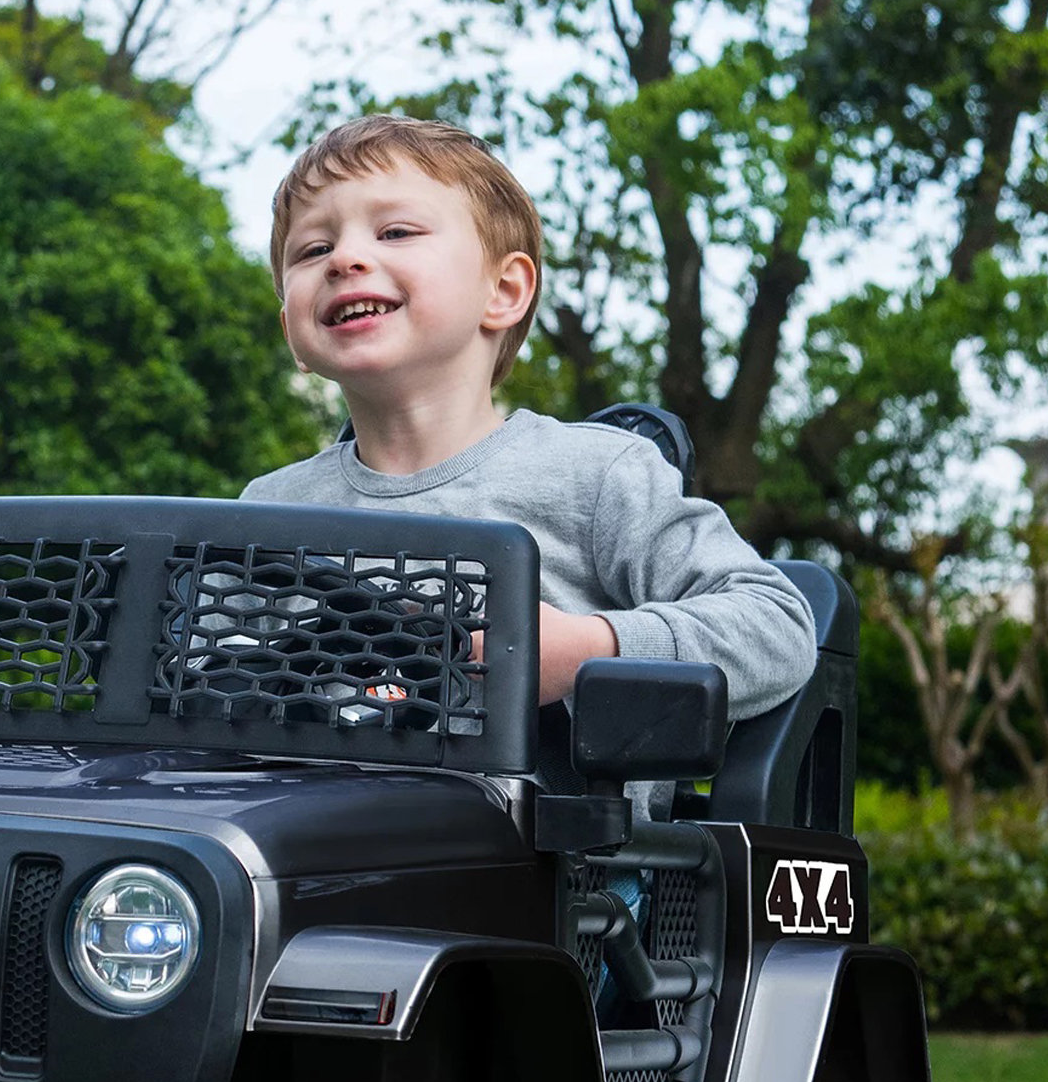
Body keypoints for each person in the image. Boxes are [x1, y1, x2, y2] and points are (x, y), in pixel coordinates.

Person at [241, 114, 817, 747]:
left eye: (396, 231)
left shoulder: (596, 476)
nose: (346, 258)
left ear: (504, 290)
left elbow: (778, 625)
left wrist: (592, 649)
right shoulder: (264, 512)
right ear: (290, 329)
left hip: (544, 840)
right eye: (313, 249)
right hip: (292, 828)